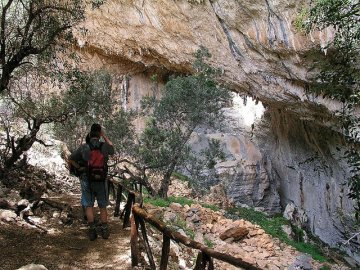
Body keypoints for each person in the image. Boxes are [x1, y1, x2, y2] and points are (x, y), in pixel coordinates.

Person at [69, 124, 114, 240]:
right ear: (99, 134)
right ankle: (104, 229)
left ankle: (92, 230)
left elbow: (71, 158)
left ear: (90, 134)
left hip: (87, 179)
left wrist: (79, 168)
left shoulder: (84, 147)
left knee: (89, 205)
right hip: (101, 179)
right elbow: (112, 148)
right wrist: (104, 135)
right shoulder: (104, 146)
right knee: (102, 205)